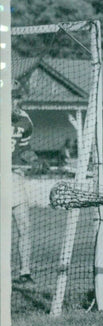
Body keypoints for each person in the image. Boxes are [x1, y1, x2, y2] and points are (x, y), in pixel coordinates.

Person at [11, 79, 35, 284]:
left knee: (24, 226)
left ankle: (25, 272)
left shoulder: (25, 120)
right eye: (10, 97)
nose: (14, 102)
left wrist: (35, 160)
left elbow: (25, 150)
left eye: (17, 97)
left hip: (15, 178)